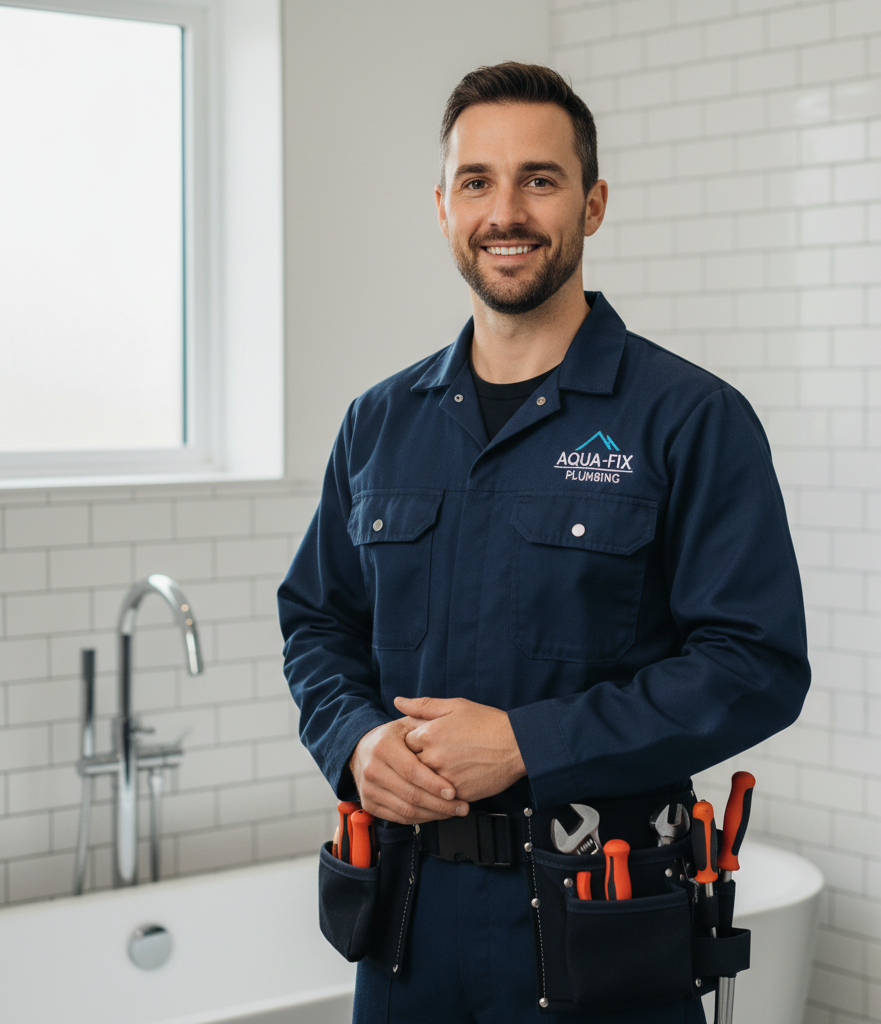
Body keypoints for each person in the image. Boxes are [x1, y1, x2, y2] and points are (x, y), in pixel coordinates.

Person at [279, 62, 810, 1024]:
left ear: (593, 203)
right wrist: (355, 741)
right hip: (406, 934)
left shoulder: (687, 419)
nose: (505, 211)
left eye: (540, 178)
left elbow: (757, 664)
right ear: (442, 207)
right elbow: (316, 620)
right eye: (477, 182)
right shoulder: (378, 422)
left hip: (598, 931)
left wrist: (530, 742)